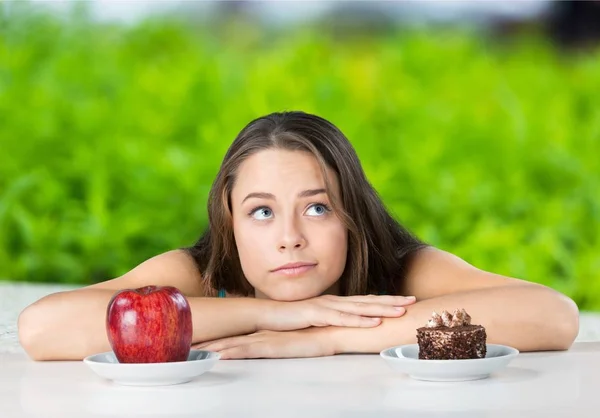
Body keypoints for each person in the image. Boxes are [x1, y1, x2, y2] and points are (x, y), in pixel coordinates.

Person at [18, 111, 579, 361]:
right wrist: (262, 315)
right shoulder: (203, 275)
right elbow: (44, 329)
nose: (289, 238)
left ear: (353, 213)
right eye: (261, 213)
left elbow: (551, 316)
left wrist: (330, 334)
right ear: (229, 222)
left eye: (316, 208)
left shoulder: (399, 269)